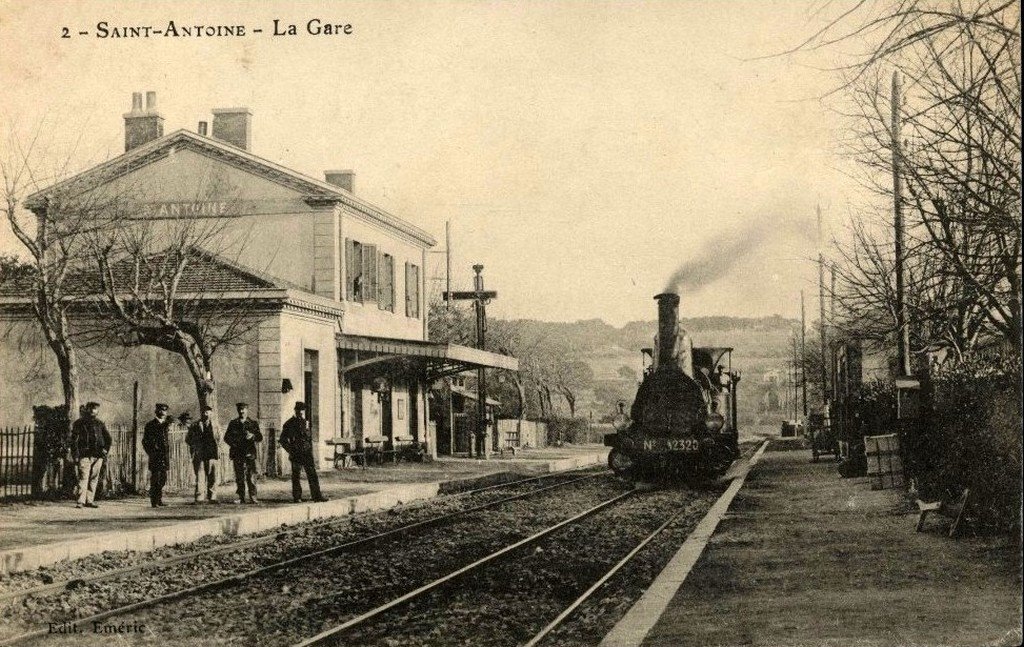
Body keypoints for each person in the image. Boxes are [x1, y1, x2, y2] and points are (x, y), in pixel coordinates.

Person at [279, 402, 327, 503]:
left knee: (312, 474)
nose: (301, 414)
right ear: (295, 411)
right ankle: (297, 497)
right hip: (296, 453)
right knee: (296, 475)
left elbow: (308, 438)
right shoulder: (289, 424)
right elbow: (282, 440)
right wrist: (290, 450)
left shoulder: (306, 423)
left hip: (306, 453)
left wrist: (309, 448)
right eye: (298, 412)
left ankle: (317, 496)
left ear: (304, 412)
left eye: (302, 412)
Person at [70, 401, 111, 509]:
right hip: (84, 455)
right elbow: (73, 440)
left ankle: (90, 500)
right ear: (86, 409)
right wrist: (76, 455)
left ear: (97, 411)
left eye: (95, 408)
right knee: (83, 477)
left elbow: (108, 438)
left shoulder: (100, 423)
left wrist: (105, 450)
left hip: (98, 456)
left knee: (94, 478)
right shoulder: (79, 423)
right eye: (91, 408)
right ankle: (80, 501)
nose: (93, 410)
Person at [224, 402, 262, 504]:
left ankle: (253, 497)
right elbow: (226, 438)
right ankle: (241, 497)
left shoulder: (253, 423)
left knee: (251, 476)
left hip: (250, 453)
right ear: (238, 410)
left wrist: (252, 436)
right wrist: (235, 443)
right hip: (238, 453)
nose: (241, 411)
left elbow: (260, 437)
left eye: (243, 409)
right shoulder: (233, 423)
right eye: (240, 409)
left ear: (247, 410)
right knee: (239, 477)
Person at [185, 406, 219, 504]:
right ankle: (199, 497)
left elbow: (220, 437)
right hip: (200, 454)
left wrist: (217, 446)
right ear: (201, 413)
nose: (206, 414)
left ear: (211, 413)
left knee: (213, 476)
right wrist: (195, 446)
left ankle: (212, 497)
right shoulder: (195, 425)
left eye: (208, 412)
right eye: (204, 412)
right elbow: (188, 439)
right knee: (200, 476)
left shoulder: (215, 425)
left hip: (212, 454)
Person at [142, 403, 172, 507]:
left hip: (164, 456)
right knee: (155, 479)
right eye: (161, 410)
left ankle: (159, 499)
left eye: (165, 410)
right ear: (156, 411)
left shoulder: (166, 425)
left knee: (163, 479)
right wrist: (151, 452)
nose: (163, 412)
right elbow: (145, 441)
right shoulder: (151, 425)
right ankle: (154, 501)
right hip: (155, 456)